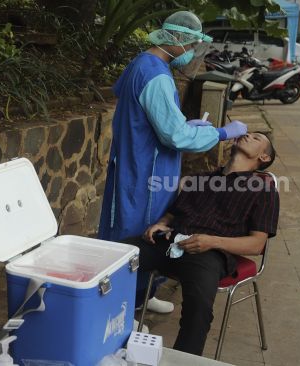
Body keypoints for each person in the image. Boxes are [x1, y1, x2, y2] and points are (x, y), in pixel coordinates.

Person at [97, 10, 249, 313]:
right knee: (140, 232)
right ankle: (127, 302)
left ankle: (140, 294)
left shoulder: (141, 64)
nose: (191, 52)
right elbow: (175, 138)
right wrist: (220, 133)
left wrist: (183, 123)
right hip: (146, 171)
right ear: (177, 40)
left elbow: (146, 112)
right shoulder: (156, 77)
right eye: (191, 45)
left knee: (130, 229)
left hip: (133, 160)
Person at [124, 132, 279, 355]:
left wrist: (212, 241)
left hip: (210, 253)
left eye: (256, 138)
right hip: (169, 242)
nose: (247, 134)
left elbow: (256, 245)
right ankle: (105, 332)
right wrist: (162, 222)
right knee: (114, 257)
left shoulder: (263, 190)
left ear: (263, 157)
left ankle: (183, 360)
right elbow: (174, 212)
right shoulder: (201, 179)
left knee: (198, 311)